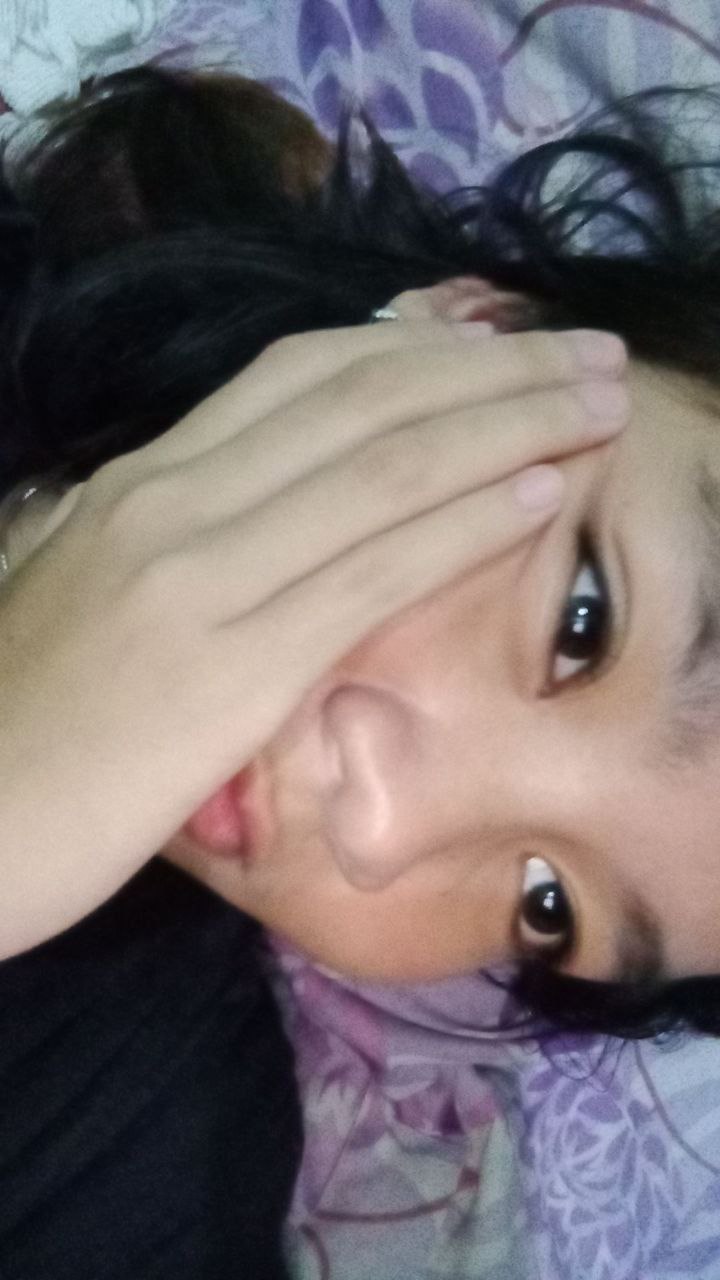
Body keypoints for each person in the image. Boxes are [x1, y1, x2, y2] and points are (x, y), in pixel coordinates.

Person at [0, 70, 719, 1240]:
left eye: (548, 903)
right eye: (583, 620)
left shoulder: (147, 1165)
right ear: (480, 334)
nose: (378, 832)